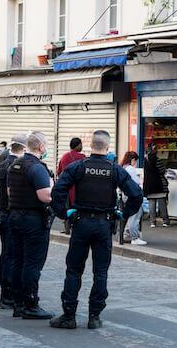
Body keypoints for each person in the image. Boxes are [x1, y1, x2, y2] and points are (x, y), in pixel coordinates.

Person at [49, 130, 143, 330]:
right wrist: (123, 214)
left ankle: (69, 316)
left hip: (81, 223)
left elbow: (58, 190)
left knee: (74, 270)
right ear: (107, 148)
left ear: (91, 146)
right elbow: (136, 195)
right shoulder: (114, 170)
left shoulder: (79, 167)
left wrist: (64, 213)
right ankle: (94, 317)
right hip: (103, 225)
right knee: (100, 272)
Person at [7, 131, 55, 319]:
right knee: (33, 263)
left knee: (18, 261)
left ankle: (18, 303)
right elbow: (45, 196)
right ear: (41, 147)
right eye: (47, 145)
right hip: (33, 219)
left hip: (15, 216)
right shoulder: (36, 168)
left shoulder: (15, 165)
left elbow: (10, 192)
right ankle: (31, 304)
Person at [0, 133, 26, 309]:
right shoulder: (16, 166)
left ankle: (5, 294)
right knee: (13, 256)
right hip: (13, 213)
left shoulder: (2, 165)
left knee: (6, 254)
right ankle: (10, 295)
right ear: (24, 148)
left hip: (3, 214)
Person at [57, 137, 85, 233]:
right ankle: (77, 227)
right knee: (78, 209)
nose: (82, 146)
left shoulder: (64, 156)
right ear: (77, 146)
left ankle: (67, 228)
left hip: (66, 188)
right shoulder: (82, 157)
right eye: (81, 144)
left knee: (67, 208)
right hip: (79, 188)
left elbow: (59, 171)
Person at [121, 151, 147, 246]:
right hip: (133, 195)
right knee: (135, 215)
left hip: (126, 194)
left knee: (130, 214)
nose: (135, 163)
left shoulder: (123, 167)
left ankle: (126, 234)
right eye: (135, 161)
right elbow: (136, 181)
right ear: (132, 160)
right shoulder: (131, 169)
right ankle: (134, 237)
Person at [143, 143, 170, 227]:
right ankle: (165, 221)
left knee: (151, 203)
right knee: (162, 203)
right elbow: (162, 170)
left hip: (149, 184)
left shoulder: (146, 160)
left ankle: (152, 222)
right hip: (159, 183)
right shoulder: (158, 160)